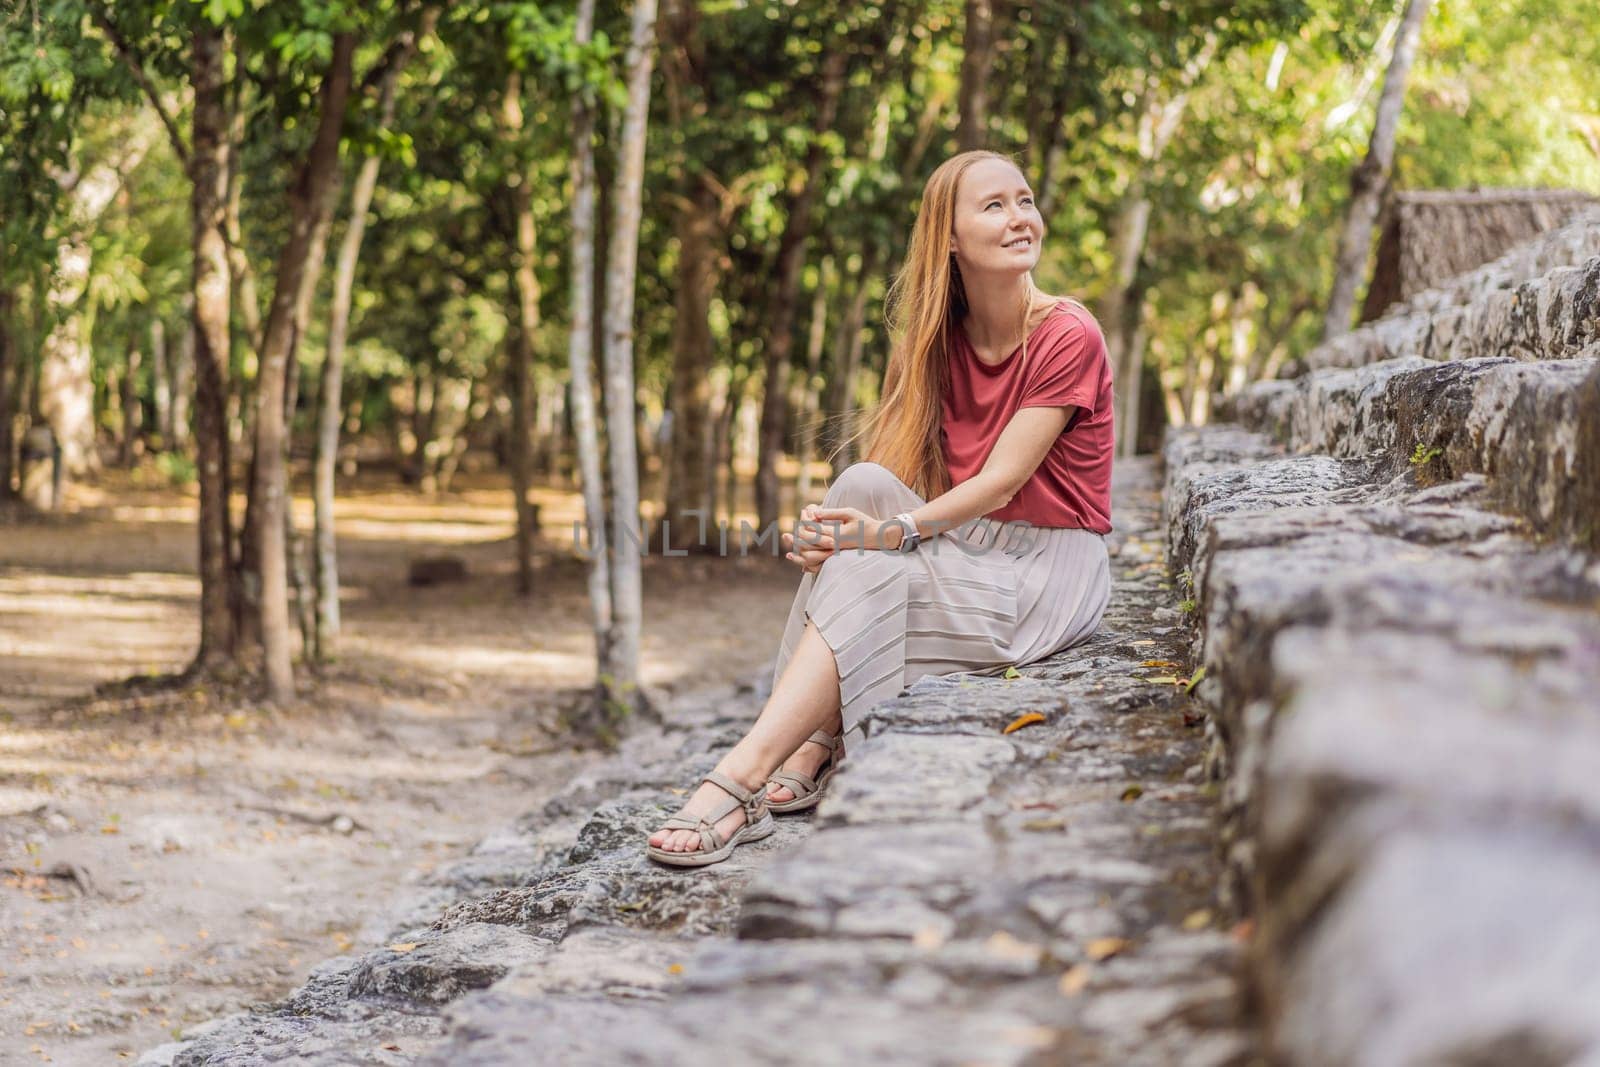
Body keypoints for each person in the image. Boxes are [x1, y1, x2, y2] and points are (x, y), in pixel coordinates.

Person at [646, 150, 1114, 867]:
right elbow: (892, 487)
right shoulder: (928, 348)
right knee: (859, 483)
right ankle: (810, 740)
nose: (1021, 217)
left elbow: (999, 480)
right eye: (994, 205)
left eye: (1024, 199)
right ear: (949, 237)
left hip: (1050, 572)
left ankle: (743, 775)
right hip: (975, 549)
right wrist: (831, 539)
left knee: (872, 560)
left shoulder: (1067, 333)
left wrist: (884, 535)